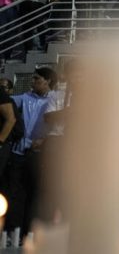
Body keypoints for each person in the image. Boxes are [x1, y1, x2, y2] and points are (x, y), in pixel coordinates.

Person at [5, 67, 56, 234]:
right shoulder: (25, 97)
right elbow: (6, 101)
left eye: (36, 78)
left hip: (40, 154)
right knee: (14, 193)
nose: (32, 81)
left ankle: (30, 232)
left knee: (35, 194)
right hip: (19, 152)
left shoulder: (55, 99)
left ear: (48, 80)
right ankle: (13, 230)